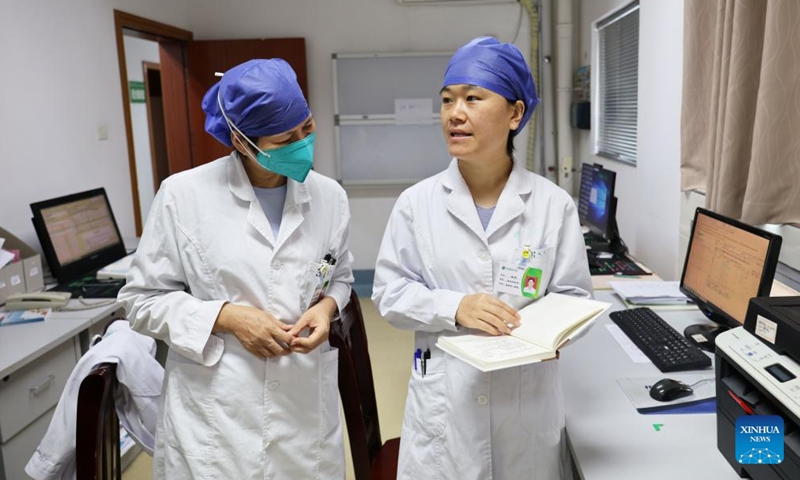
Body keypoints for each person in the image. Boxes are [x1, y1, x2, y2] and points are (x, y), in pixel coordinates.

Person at [119, 59, 354, 479]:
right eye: (286, 139)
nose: (304, 144)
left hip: (303, 412)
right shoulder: (182, 196)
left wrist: (327, 308)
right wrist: (226, 317)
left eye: (308, 128)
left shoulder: (330, 197)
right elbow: (140, 301)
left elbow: (339, 275)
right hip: (217, 419)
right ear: (242, 142)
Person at [372, 37, 592, 479]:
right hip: (446, 401)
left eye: (473, 98)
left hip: (525, 403)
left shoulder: (553, 204)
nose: (455, 113)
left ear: (514, 113)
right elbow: (389, 293)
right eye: (448, 100)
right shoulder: (417, 204)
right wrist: (455, 306)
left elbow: (573, 294)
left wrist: (554, 334)